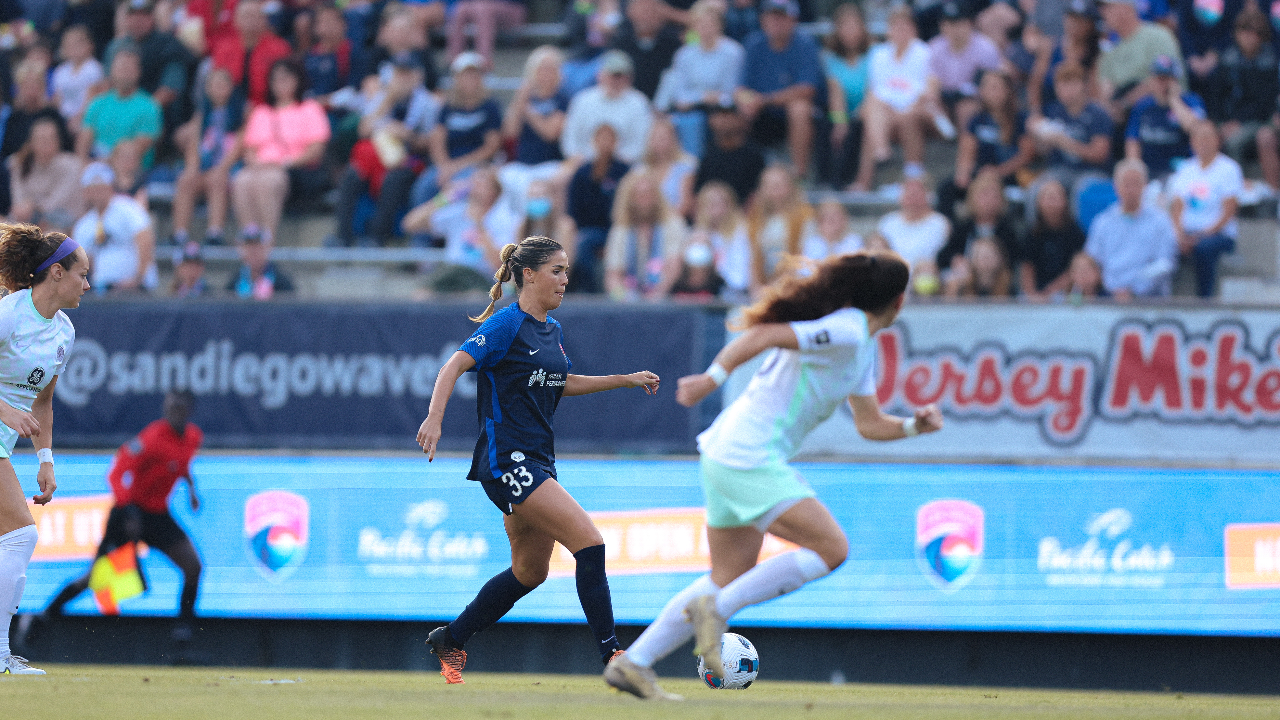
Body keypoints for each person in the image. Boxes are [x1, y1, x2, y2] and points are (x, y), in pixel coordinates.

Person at [604, 249, 943, 700]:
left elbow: (869, 423)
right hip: (748, 455)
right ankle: (716, 611)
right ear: (899, 302)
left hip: (727, 453)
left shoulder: (859, 345)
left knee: (727, 574)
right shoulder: (847, 329)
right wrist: (712, 377)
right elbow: (763, 335)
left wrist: (911, 427)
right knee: (831, 548)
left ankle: (634, 663)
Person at [416, 235, 661, 685]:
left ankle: (451, 638)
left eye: (567, 271)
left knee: (531, 572)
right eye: (557, 270)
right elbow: (453, 365)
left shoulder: (551, 329)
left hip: (537, 460)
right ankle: (614, 657)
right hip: (507, 461)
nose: (565, 280)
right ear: (528, 274)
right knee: (590, 543)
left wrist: (623, 379)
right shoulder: (506, 324)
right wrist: (435, 418)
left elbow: (559, 382)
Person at [34, 391, 204, 636]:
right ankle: (43, 617)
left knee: (193, 567)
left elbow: (180, 464)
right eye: (170, 407)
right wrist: (127, 509)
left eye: (179, 408)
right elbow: (116, 473)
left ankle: (183, 633)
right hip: (129, 515)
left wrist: (191, 489)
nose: (174, 412)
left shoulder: (193, 438)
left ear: (189, 411)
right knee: (93, 578)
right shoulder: (152, 437)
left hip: (157, 515)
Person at [0, 223, 89, 675]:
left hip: (2, 444)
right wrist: (5, 412)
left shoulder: (64, 333)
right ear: (56, 273)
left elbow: (43, 400)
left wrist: (45, 460)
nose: (87, 284)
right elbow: (18, 409)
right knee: (20, 535)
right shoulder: (9, 314)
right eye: (81, 274)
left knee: (14, 537)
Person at [332, 54, 438, 247]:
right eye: (399, 73)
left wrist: (407, 135)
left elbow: (430, 143)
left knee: (393, 180)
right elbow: (364, 129)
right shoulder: (384, 97)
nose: (402, 78)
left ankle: (377, 237)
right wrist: (389, 99)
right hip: (381, 157)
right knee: (351, 176)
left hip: (412, 159)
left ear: (417, 76)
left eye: (407, 73)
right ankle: (343, 237)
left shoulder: (428, 103)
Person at [231, 59, 331, 245]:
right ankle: (250, 237)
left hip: (295, 170)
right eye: (275, 80)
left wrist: (284, 163)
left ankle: (267, 240)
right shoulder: (261, 112)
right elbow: (250, 150)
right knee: (242, 180)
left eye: (285, 79)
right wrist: (258, 163)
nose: (280, 84)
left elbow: (316, 149)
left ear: (297, 80)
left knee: (269, 180)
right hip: (261, 167)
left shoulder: (310, 108)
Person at [734, 0, 823, 179]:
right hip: (761, 111)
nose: (775, 22)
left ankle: (800, 173)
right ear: (763, 20)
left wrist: (764, 100)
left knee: (799, 108)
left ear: (793, 20)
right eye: (771, 17)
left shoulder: (805, 44)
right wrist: (746, 100)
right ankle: (742, 173)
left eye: (781, 18)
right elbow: (740, 88)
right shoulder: (753, 43)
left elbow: (807, 89)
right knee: (738, 109)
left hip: (797, 113)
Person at [854, 6, 940, 190]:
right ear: (889, 30)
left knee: (905, 117)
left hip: (920, 112)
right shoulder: (878, 54)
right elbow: (874, 91)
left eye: (905, 26)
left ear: (913, 29)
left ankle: (912, 178)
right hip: (888, 113)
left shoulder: (924, 53)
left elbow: (930, 93)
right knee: (873, 111)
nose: (900, 31)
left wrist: (903, 111)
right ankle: (879, 158)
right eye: (896, 26)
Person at [410, 51, 504, 214]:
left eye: (474, 75)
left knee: (458, 187)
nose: (469, 80)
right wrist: (444, 166)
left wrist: (456, 167)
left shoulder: (490, 107)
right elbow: (437, 140)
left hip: (477, 166)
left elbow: (491, 147)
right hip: (447, 164)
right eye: (465, 75)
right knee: (423, 187)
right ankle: (423, 237)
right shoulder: (447, 107)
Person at [402, 167, 520, 292]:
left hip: (482, 276)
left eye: (482, 181)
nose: (474, 184)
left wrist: (479, 226)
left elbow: (501, 265)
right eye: (473, 180)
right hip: (452, 270)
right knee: (422, 293)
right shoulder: (458, 212)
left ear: (494, 191)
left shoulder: (505, 219)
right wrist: (444, 199)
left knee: (475, 297)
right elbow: (409, 225)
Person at [655, 0, 744, 159]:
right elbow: (680, 93)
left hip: (724, 108)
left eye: (710, 23)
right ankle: (691, 166)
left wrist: (712, 98)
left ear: (720, 25)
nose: (705, 27)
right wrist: (701, 97)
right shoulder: (684, 54)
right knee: (688, 121)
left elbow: (732, 90)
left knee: (718, 121)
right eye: (700, 23)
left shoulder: (733, 52)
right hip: (692, 108)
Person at [940, 68, 1033, 219]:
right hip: (980, 174)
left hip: (1010, 175)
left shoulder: (1020, 119)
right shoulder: (977, 120)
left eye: (995, 87)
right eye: (986, 87)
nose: (990, 92)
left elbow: (1026, 155)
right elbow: (967, 152)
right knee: (947, 188)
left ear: (1007, 91)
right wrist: (963, 172)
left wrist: (998, 172)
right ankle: (949, 230)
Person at [1205, 9, 1279, 190]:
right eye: (1245, 32)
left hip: (1258, 121)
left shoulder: (1269, 63)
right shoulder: (1227, 60)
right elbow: (1215, 95)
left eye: (1255, 33)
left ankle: (1241, 193)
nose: (1249, 37)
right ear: (1237, 34)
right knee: (1206, 135)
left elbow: (1265, 104)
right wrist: (1218, 123)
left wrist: (1237, 122)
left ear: (1262, 36)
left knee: (1234, 142)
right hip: (1226, 120)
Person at [1167, 121, 1242, 297]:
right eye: (1199, 138)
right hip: (1187, 232)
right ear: (1192, 142)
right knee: (1161, 242)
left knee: (1204, 248)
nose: (1203, 142)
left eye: (1208, 137)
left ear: (1217, 140)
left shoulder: (1229, 169)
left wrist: (1201, 235)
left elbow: (1229, 211)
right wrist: (1179, 235)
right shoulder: (1185, 169)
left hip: (1218, 234)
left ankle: (1204, 299)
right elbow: (1176, 207)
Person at [171, 67, 244, 247]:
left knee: (217, 180)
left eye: (223, 85)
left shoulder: (241, 113)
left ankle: (215, 232)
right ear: (207, 89)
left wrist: (222, 168)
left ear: (231, 88)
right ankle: (179, 233)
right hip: (205, 166)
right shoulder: (201, 115)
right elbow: (194, 145)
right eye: (214, 85)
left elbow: (239, 146)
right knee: (186, 179)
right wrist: (192, 168)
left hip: (228, 167)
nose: (219, 89)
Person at [1085, 159, 1178, 299]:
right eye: (1126, 184)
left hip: (1149, 299)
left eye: (1136, 184)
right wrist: (1113, 289)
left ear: (1145, 186)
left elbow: (1165, 263)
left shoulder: (1160, 221)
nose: (1131, 190)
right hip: (1108, 297)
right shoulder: (1103, 222)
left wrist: (1134, 289)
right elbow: (1093, 262)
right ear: (1116, 186)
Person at [72, 163, 158, 293]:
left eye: (102, 188)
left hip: (137, 289)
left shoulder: (128, 208)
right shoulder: (83, 225)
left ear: (111, 188)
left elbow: (145, 240)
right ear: (86, 192)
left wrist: (138, 279)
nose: (98, 193)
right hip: (103, 291)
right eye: (93, 189)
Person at [604, 168, 687, 300]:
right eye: (639, 195)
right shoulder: (620, 229)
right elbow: (613, 275)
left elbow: (674, 267)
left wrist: (656, 296)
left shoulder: (672, 224)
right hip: (630, 299)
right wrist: (622, 298)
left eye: (649, 194)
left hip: (668, 297)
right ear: (629, 199)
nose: (645, 200)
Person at [565, 124, 630, 293]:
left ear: (616, 142)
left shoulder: (624, 171)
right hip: (587, 230)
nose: (605, 143)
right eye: (601, 138)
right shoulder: (582, 172)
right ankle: (584, 289)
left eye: (609, 138)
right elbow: (573, 208)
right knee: (581, 242)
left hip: (616, 228)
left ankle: (596, 291)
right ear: (594, 141)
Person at [561, 50, 653, 166]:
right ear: (600, 75)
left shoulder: (639, 102)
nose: (616, 80)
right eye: (612, 75)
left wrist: (614, 161)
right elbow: (570, 141)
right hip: (584, 164)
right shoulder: (582, 100)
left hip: (626, 165)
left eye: (620, 76)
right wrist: (589, 160)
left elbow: (642, 142)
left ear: (629, 78)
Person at [1096, 0, 1184, 120]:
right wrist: (1111, 108)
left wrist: (1124, 103)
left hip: (1167, 117)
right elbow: (1104, 95)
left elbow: (1167, 80)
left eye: (1106, 7)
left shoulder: (1158, 35)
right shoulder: (1110, 51)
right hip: (1126, 124)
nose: (1102, 12)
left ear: (1124, 8)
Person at [76, 47, 162, 168]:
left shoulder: (149, 107)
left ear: (138, 72)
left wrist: (102, 164)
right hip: (94, 169)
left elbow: (139, 147)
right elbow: (84, 141)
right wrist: (84, 164)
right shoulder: (98, 103)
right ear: (111, 70)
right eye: (121, 67)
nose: (124, 72)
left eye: (129, 68)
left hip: (131, 172)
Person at [1124, 55, 1205, 181]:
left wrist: (1174, 100)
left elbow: (1197, 130)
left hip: (1182, 171)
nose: (1163, 84)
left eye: (1167, 79)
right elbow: (1132, 142)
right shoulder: (1143, 107)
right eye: (1159, 79)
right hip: (1150, 173)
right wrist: (1136, 172)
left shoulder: (1191, 102)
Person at [928, 1, 1002, 132]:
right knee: (924, 107)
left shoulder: (985, 48)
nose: (954, 29)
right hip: (945, 98)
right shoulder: (935, 47)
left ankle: (966, 146)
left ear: (969, 24)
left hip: (976, 99)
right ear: (942, 26)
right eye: (949, 24)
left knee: (965, 109)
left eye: (958, 23)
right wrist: (933, 96)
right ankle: (948, 134)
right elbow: (932, 81)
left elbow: (992, 84)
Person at [822, 2, 871, 190]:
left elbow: (873, 90)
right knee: (833, 127)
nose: (850, 31)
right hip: (842, 113)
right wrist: (840, 121)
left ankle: (861, 180)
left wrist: (859, 113)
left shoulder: (874, 54)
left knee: (862, 124)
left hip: (866, 112)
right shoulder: (830, 58)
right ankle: (830, 181)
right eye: (845, 26)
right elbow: (836, 93)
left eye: (854, 26)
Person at [936, 168, 1020, 275]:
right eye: (984, 195)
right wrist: (955, 259)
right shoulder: (964, 229)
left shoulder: (1007, 232)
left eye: (994, 196)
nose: (989, 201)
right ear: (972, 198)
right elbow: (943, 256)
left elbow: (1013, 261)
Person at [7, 118, 84, 233]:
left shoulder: (71, 165)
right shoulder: (19, 164)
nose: (46, 143)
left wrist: (33, 206)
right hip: (27, 219)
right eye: (41, 139)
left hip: (63, 221)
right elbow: (17, 198)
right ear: (31, 142)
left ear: (58, 141)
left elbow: (57, 200)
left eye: (50, 138)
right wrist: (22, 208)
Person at [876, 174, 949, 293]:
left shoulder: (940, 223)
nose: (912, 197)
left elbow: (945, 257)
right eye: (908, 192)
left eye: (917, 193)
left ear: (927, 195)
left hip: (928, 281)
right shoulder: (887, 223)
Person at [210, 0, 293, 106]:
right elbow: (216, 84)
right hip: (230, 108)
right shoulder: (223, 48)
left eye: (255, 16)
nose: (250, 21)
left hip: (268, 107)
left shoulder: (279, 48)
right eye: (246, 16)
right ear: (235, 20)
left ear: (264, 20)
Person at [1019, 177, 1087, 299]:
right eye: (1048, 198)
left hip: (1065, 291)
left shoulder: (1075, 233)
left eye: (1056, 197)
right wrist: (1032, 294)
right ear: (1038, 202)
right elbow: (1027, 267)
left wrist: (1049, 293)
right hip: (1036, 292)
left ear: (1065, 201)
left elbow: (1074, 269)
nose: (1052, 202)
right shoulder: (1032, 233)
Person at [747, 165, 813, 287]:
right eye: (769, 185)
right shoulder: (755, 217)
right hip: (764, 284)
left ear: (791, 186)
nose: (774, 188)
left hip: (794, 284)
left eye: (779, 184)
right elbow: (752, 256)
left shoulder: (805, 216)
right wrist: (756, 287)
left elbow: (804, 255)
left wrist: (780, 286)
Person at [693, 106, 766, 205]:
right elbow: (699, 191)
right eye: (720, 116)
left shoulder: (754, 155)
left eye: (729, 115)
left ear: (741, 120)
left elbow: (758, 193)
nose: (724, 121)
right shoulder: (708, 154)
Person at [611, 0, 682, 100]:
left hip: (665, 104)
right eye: (643, 11)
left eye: (651, 11)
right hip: (628, 102)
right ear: (631, 13)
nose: (646, 17)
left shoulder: (672, 44)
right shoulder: (620, 42)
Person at [692, 181, 752, 299]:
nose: (715, 209)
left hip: (736, 292)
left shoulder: (742, 233)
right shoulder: (696, 234)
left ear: (730, 205)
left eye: (720, 203)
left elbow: (742, 274)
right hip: (706, 293)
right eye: (710, 204)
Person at [636, 116, 696, 218]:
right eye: (655, 137)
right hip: (646, 222)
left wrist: (666, 223)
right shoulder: (640, 169)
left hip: (676, 222)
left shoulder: (686, 165)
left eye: (663, 137)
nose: (659, 141)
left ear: (673, 139)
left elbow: (686, 204)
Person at [50, 25, 105, 133]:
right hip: (64, 118)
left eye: (78, 43)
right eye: (68, 44)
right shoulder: (60, 71)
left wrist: (78, 118)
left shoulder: (93, 68)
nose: (73, 48)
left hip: (86, 117)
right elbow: (57, 99)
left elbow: (92, 99)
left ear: (90, 45)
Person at [445, 0, 527, 69]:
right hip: (480, 7)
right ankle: (454, 64)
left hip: (514, 9)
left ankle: (483, 64)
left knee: (484, 8)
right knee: (461, 8)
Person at [226, 233, 294, 298]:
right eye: (249, 247)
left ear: (268, 249)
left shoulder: (282, 281)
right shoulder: (234, 281)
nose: (254, 252)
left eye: (258, 247)